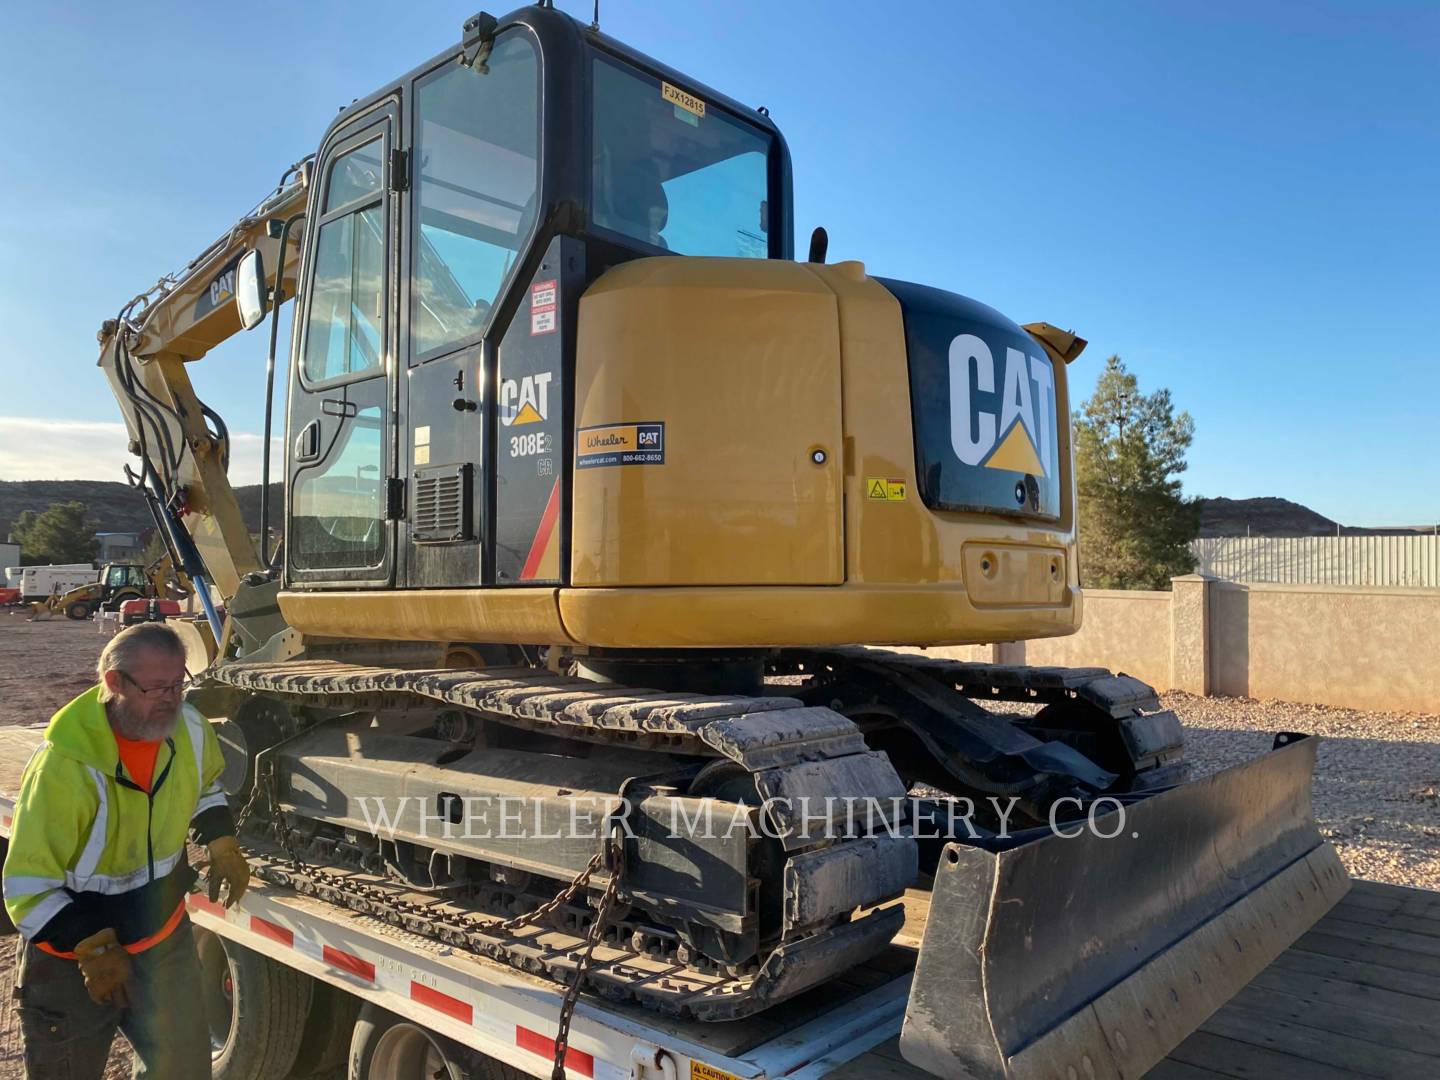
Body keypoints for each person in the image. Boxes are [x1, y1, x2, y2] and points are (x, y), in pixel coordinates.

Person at [2, 622, 250, 1078]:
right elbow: (27, 886)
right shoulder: (64, 766)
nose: (172, 699)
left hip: (162, 940)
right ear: (114, 683)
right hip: (72, 962)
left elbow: (206, 787)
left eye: (179, 684)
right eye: (156, 687)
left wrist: (220, 837)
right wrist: (92, 950)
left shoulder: (189, 730)